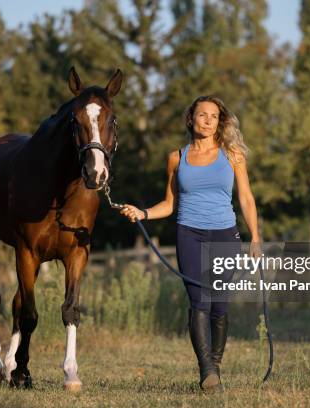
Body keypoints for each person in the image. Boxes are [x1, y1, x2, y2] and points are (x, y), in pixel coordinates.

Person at [120, 95, 261, 393]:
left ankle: (215, 363)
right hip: (189, 234)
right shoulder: (177, 158)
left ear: (219, 121)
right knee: (199, 301)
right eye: (202, 115)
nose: (208, 120)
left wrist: (256, 237)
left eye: (213, 116)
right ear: (191, 119)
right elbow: (169, 204)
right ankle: (207, 371)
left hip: (225, 235)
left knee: (219, 305)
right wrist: (142, 212)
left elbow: (246, 198)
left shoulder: (232, 154)